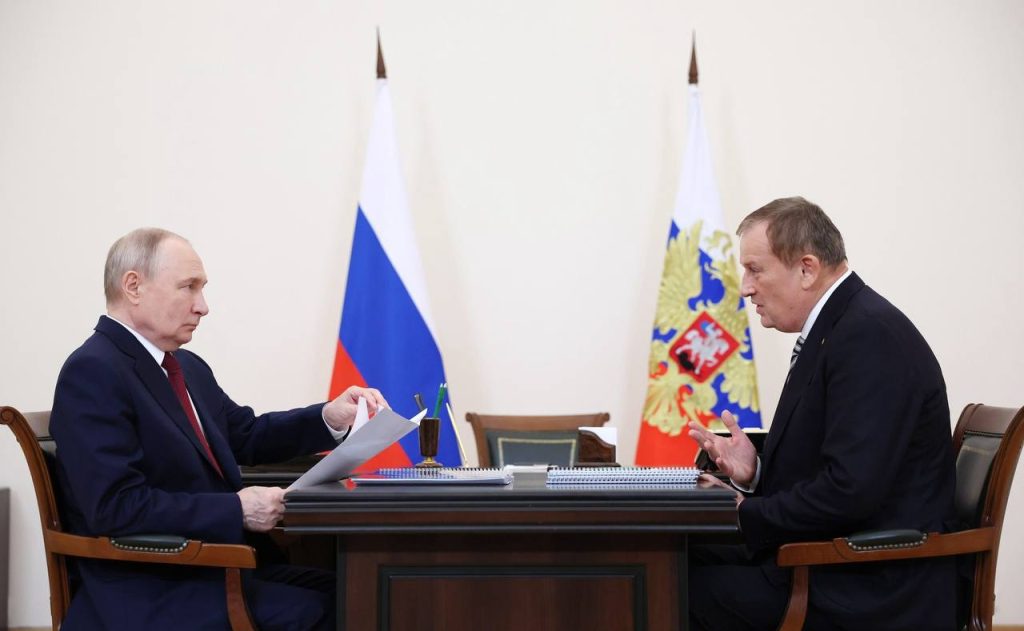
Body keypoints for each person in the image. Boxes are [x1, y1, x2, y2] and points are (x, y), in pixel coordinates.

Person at [50, 227, 388, 631]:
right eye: (188, 287)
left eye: (202, 289)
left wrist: (328, 418)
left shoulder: (185, 366)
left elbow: (246, 435)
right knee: (340, 608)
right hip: (152, 584)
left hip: (215, 568)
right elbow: (116, 507)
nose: (203, 307)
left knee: (366, 591)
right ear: (133, 286)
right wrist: (237, 509)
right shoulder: (93, 371)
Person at [687, 197, 957, 631]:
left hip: (866, 585)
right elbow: (837, 465)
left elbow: (850, 490)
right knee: (673, 554)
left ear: (807, 269)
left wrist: (745, 512)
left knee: (661, 585)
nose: (745, 288)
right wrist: (756, 471)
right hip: (828, 561)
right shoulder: (843, 326)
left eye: (755, 270)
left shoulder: (868, 336)